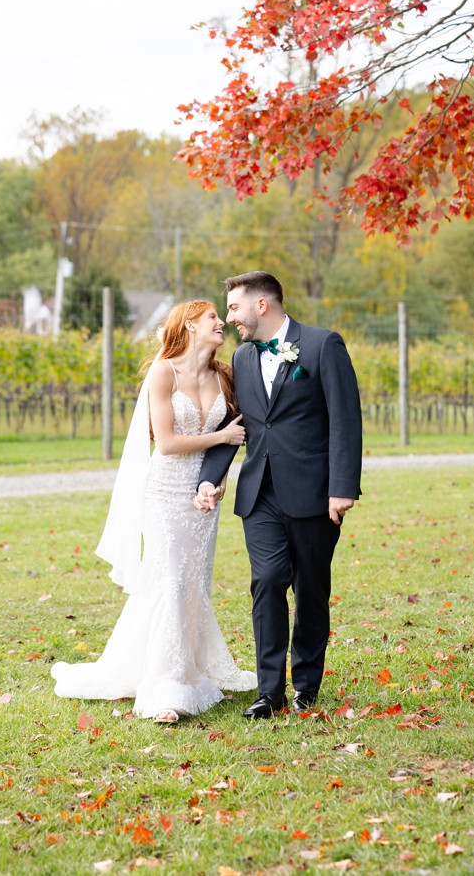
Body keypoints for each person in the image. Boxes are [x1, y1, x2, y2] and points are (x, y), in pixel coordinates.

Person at [51, 300, 257, 721]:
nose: (222, 323)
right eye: (213, 318)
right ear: (190, 326)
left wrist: (213, 485)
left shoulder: (226, 375)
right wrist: (221, 438)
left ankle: (187, 665)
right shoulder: (164, 372)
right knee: (172, 580)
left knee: (195, 582)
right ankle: (165, 687)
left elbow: (233, 440)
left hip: (202, 497)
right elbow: (165, 442)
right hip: (164, 490)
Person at [195, 271, 363, 718]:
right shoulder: (244, 358)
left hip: (314, 493)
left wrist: (341, 488)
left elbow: (345, 419)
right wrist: (209, 478)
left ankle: (306, 684)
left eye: (233, 308)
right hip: (260, 494)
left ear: (262, 305)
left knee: (311, 591)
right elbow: (238, 424)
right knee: (267, 582)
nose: (229, 318)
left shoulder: (323, 345)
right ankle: (269, 693)